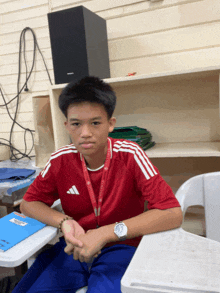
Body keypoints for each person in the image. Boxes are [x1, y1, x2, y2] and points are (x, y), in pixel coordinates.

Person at [13, 76, 182, 293]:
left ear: (111, 124)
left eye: (95, 123)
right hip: (75, 246)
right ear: (66, 126)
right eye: (76, 124)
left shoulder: (131, 155)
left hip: (121, 247)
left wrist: (105, 233)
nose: (85, 133)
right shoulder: (60, 159)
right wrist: (64, 221)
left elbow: (172, 212)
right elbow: (29, 203)